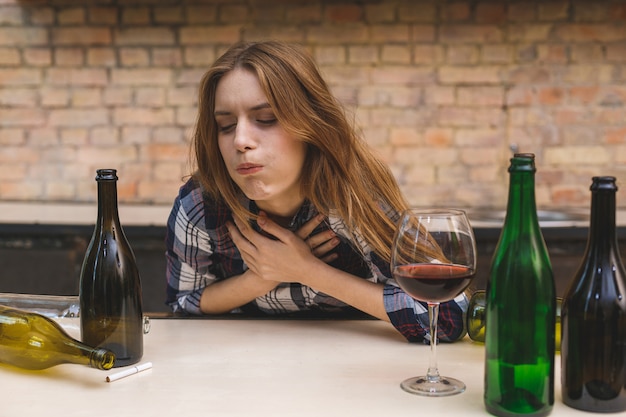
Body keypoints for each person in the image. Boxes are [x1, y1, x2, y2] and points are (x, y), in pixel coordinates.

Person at [165, 40, 467, 343]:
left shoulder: (353, 197)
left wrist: (308, 271)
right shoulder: (201, 204)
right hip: (244, 368)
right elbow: (184, 304)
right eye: (226, 125)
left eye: (266, 118)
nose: (240, 140)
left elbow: (447, 314)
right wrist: (261, 278)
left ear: (309, 123)